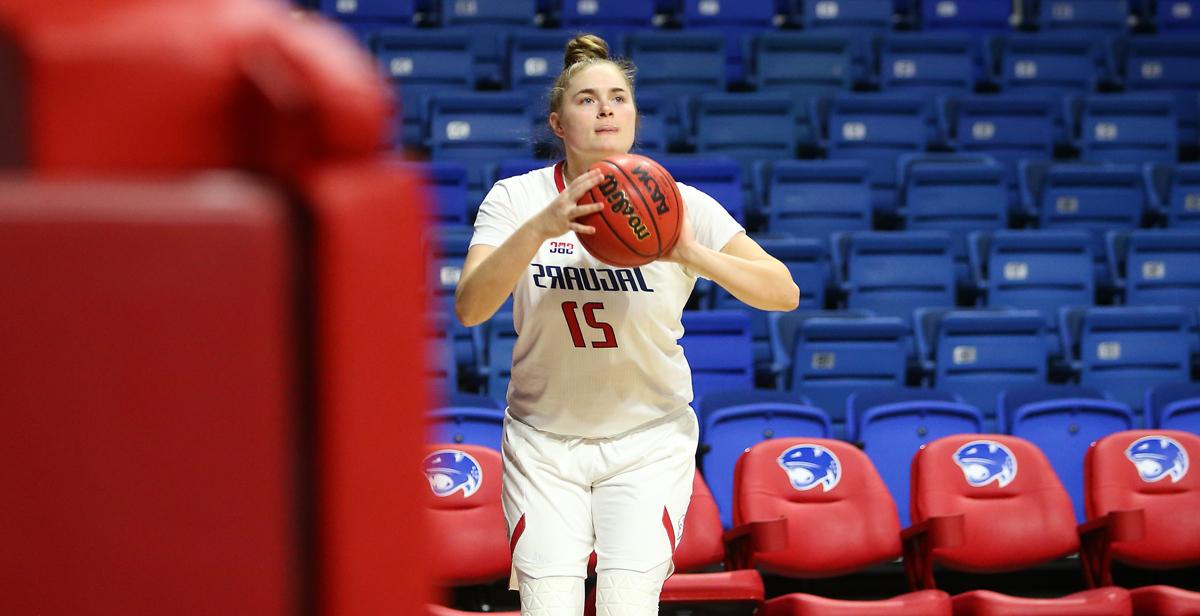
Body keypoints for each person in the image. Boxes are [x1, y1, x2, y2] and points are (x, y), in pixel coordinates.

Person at [454, 33, 799, 616]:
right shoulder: (517, 199)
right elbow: (470, 306)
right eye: (587, 99)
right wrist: (542, 227)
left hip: (648, 439)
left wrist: (693, 254)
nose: (606, 108)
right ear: (559, 123)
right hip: (543, 441)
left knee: (626, 606)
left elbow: (783, 292)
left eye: (618, 97)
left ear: (635, 115)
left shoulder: (680, 204)